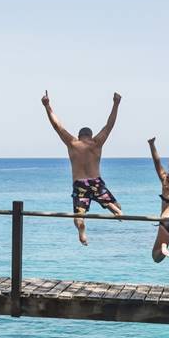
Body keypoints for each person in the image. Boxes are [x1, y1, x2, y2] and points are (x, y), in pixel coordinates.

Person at [41, 90, 124, 245]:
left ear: (79, 136)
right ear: (91, 136)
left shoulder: (73, 143)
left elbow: (57, 126)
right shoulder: (97, 143)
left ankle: (82, 232)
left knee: (78, 216)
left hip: (80, 185)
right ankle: (113, 208)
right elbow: (109, 125)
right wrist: (116, 104)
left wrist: (47, 106)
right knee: (116, 205)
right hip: (96, 183)